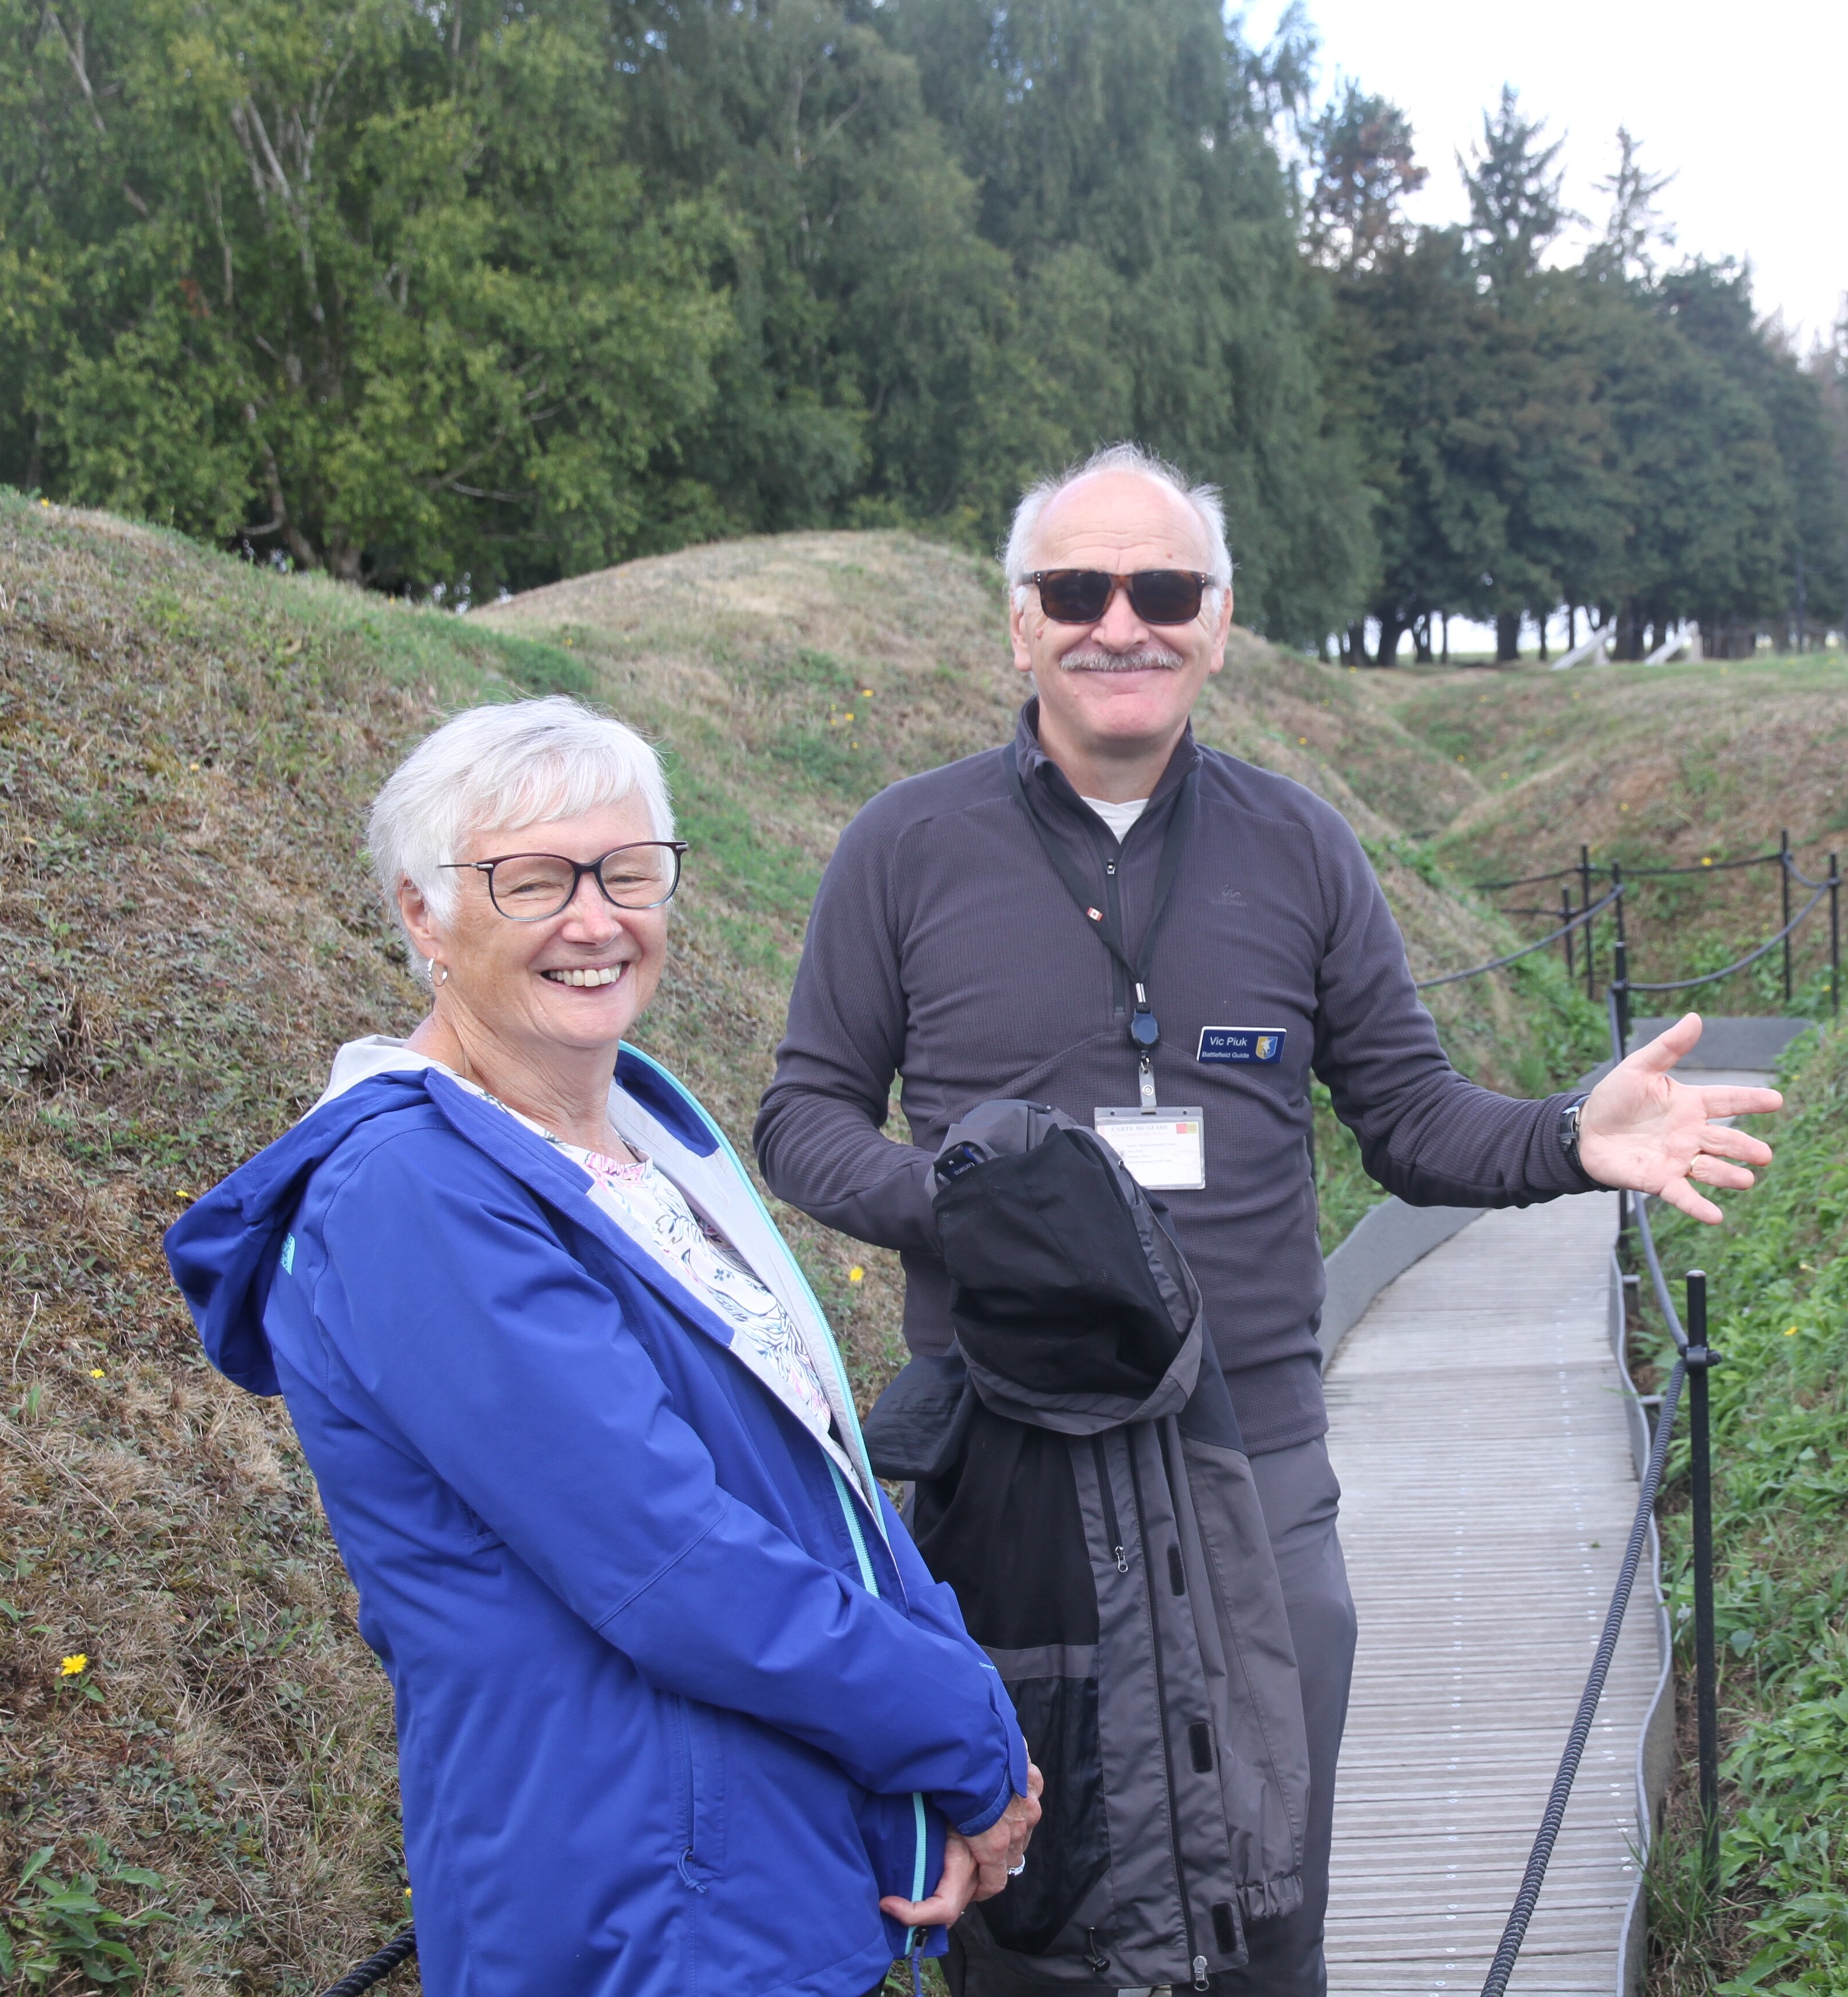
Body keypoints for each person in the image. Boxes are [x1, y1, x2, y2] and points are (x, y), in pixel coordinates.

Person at [755, 443, 1780, 1994]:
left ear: (1218, 625)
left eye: (1163, 591)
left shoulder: (1299, 847)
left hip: (1256, 1466)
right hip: (1010, 1471)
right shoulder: (904, 847)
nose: (1124, 624)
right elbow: (801, 1117)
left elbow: (1417, 1124)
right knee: (1025, 1909)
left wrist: (1575, 1138)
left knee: (1265, 1892)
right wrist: (965, 1209)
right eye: (1078, 591)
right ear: (1018, 625)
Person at [165, 697, 1043, 1997]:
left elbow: (811, 1492)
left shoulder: (643, 1141)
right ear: (423, 915)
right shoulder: (414, 1194)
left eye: (629, 872)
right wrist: (961, 1737)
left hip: (755, 1863)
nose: (595, 920)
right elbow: (672, 1561)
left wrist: (946, 1723)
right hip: (638, 1901)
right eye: (531, 881)